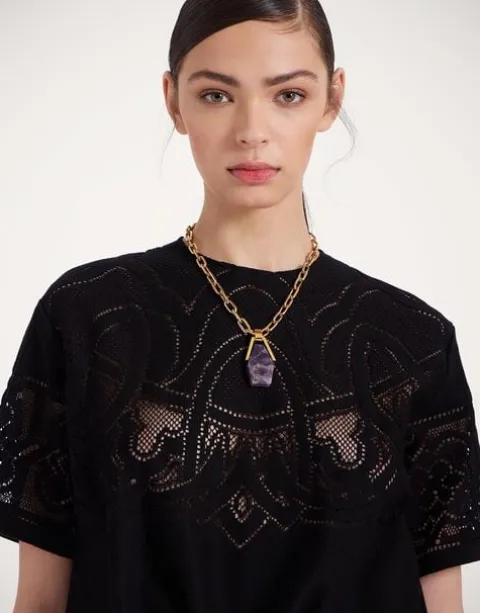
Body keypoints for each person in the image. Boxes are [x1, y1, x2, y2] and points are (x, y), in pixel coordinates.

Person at [1, 1, 479, 612]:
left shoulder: (412, 341)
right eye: (217, 95)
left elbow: (441, 600)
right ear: (174, 101)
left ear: (331, 99)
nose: (252, 130)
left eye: (288, 95)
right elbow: (40, 600)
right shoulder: (86, 318)